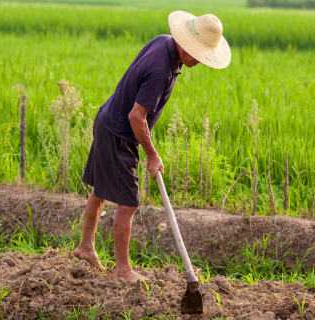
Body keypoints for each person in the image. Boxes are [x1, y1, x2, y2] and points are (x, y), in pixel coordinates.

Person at [73, 10, 231, 283]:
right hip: (119, 134)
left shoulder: (163, 42)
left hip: (107, 120)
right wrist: (152, 154)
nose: (199, 62)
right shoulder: (161, 70)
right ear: (187, 45)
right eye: (199, 55)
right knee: (128, 203)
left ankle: (85, 247)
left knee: (100, 190)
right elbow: (137, 116)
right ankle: (122, 270)